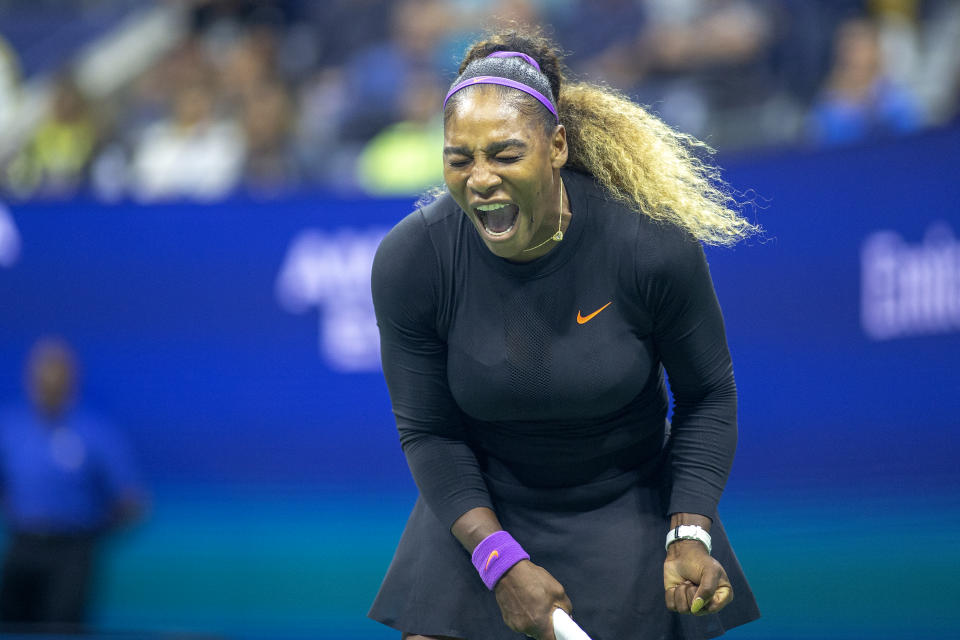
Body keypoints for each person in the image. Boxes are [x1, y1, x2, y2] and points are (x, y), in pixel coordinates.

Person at [368, 28, 761, 640]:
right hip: (479, 510)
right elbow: (429, 430)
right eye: (459, 158)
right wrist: (498, 561)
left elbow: (708, 395)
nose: (479, 178)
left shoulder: (650, 246)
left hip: (626, 501)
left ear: (555, 147)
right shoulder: (413, 260)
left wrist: (689, 531)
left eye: (504, 154)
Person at [0, 338, 147, 631]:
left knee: (62, 628)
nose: (49, 381)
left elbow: (132, 501)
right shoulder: (10, 428)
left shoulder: (95, 434)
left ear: (72, 379)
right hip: (23, 543)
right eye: (42, 373)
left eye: (57, 373)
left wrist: (92, 534)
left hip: (73, 549)